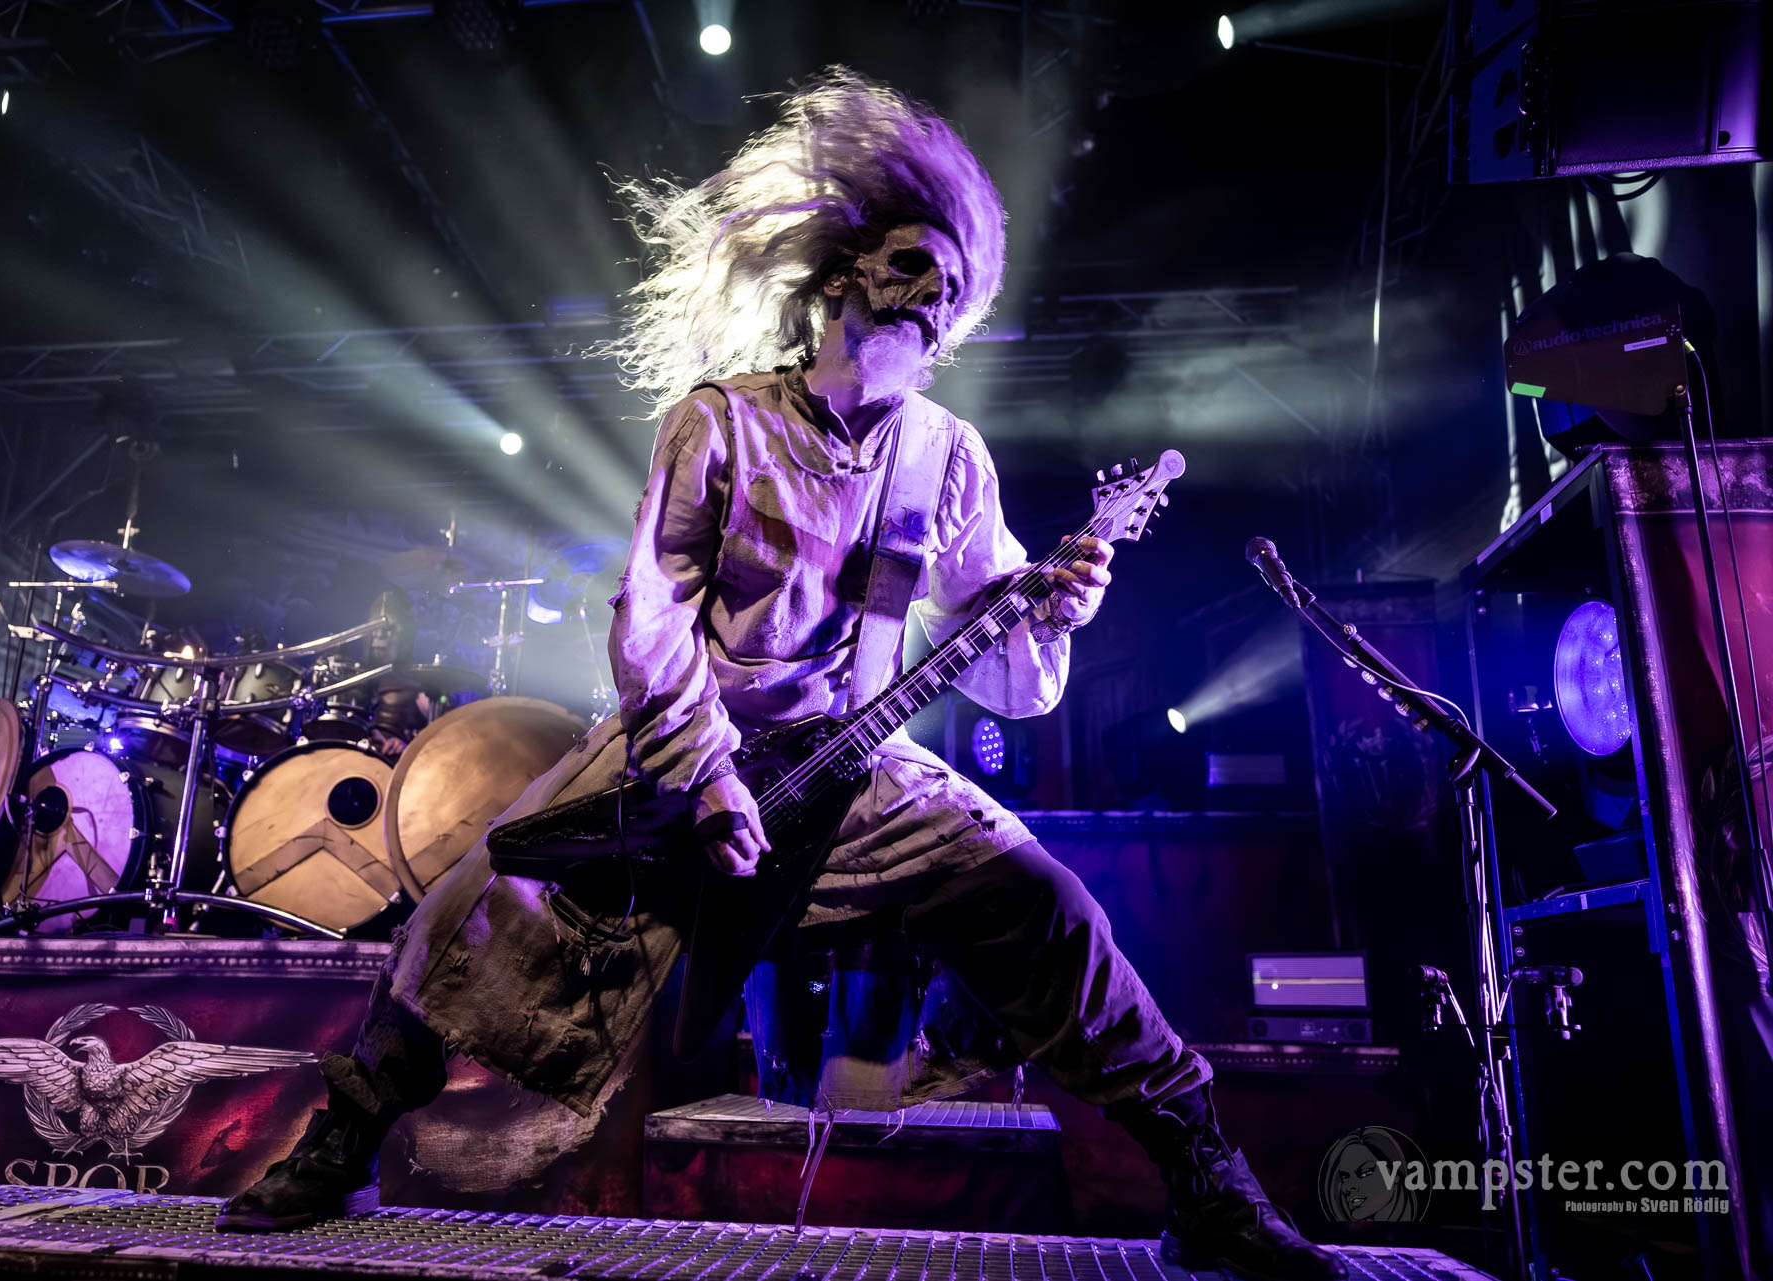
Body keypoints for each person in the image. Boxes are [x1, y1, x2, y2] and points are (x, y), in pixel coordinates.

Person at [218, 67, 1343, 1281]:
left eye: (953, 290)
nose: (932, 298)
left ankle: (1207, 1184)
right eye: (912, 266)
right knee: (482, 904)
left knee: (1050, 909)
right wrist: (703, 770)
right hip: (690, 747)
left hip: (859, 763)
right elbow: (653, 618)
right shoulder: (720, 422)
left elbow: (1013, 679)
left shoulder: (949, 457)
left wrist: (1056, 616)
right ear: (842, 271)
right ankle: (340, 1145)